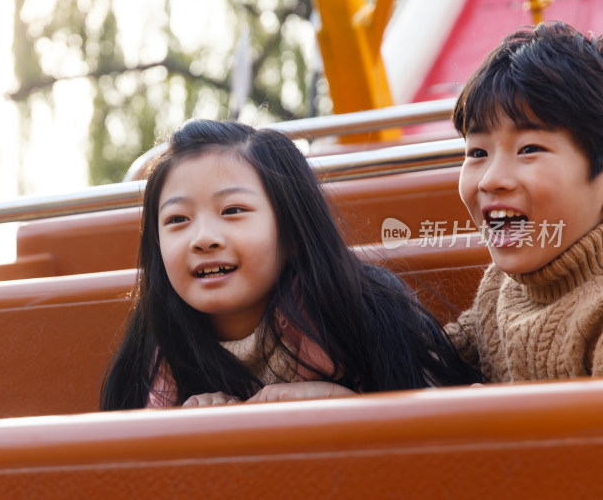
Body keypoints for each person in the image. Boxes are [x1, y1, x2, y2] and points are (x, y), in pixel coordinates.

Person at [100, 119, 481, 410]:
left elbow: (437, 425)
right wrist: (187, 430)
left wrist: (341, 403)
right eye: (178, 220)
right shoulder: (160, 352)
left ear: (293, 232)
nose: (203, 237)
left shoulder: (357, 314)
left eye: (233, 210)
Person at [445, 21, 603, 382]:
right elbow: (429, 358)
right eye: (477, 152)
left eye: (529, 149)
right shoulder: (499, 289)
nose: (491, 179)